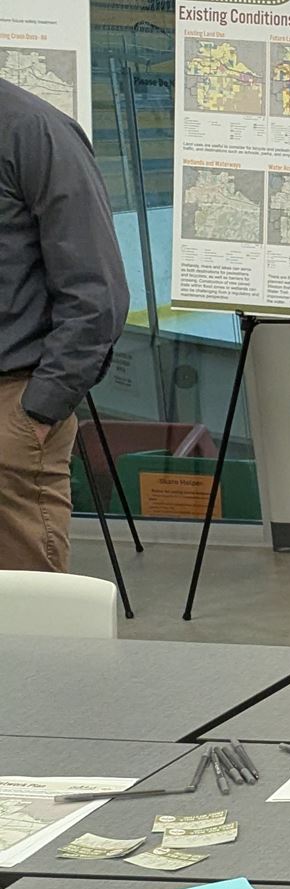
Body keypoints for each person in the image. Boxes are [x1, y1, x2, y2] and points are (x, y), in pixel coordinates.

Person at [0, 77, 127, 573]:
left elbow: (98, 295)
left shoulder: (32, 131)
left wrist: (38, 411)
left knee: (28, 622)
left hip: (12, 405)